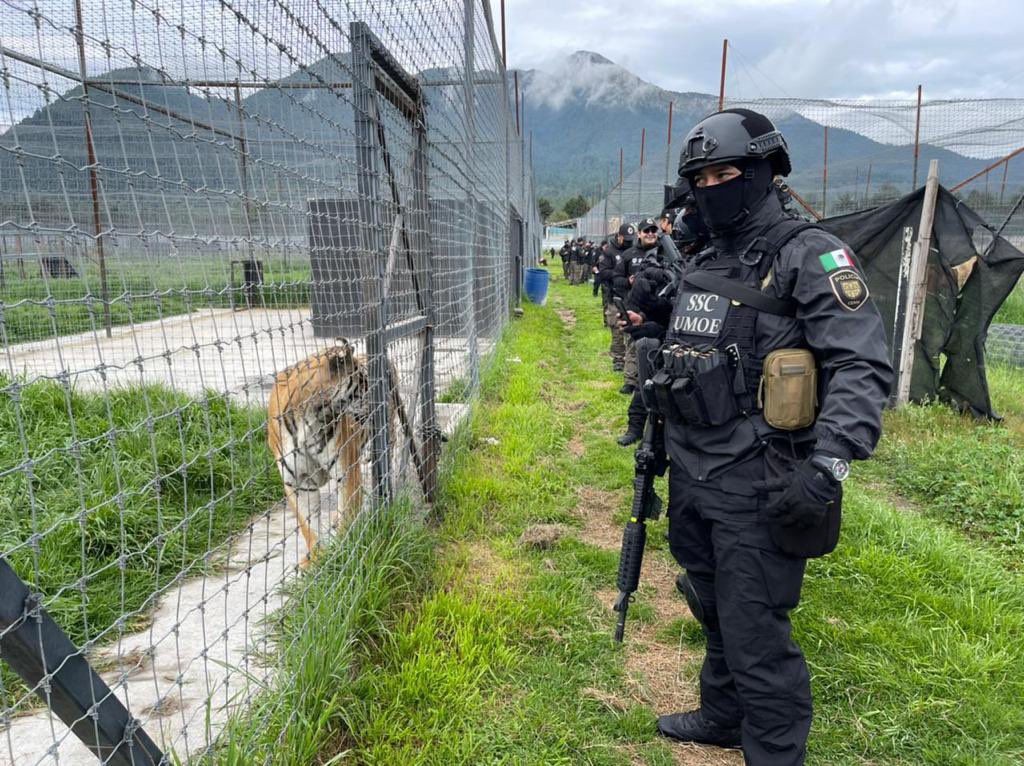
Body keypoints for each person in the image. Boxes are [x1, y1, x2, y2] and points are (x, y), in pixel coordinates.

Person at [641, 109, 892, 765]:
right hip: (694, 468)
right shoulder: (708, 256)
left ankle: (774, 753)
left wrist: (830, 463)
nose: (712, 185)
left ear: (763, 173)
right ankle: (723, 715)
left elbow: (861, 365)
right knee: (711, 604)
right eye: (701, 176)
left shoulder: (808, 254)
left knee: (755, 632)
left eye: (726, 172)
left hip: (761, 478)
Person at [613, 218, 660, 395]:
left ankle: (651, 379)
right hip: (633, 306)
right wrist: (628, 281)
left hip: (657, 307)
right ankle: (631, 381)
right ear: (639, 234)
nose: (650, 234)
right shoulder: (628, 255)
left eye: (653, 230)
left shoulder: (662, 253)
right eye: (646, 231)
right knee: (633, 344)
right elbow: (616, 280)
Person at [596, 224, 635, 372]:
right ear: (619, 236)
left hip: (632, 296)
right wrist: (619, 274)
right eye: (626, 240)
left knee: (631, 328)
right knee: (617, 327)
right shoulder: (609, 252)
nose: (628, 243)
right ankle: (618, 358)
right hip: (615, 295)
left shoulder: (634, 250)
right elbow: (603, 272)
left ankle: (631, 360)